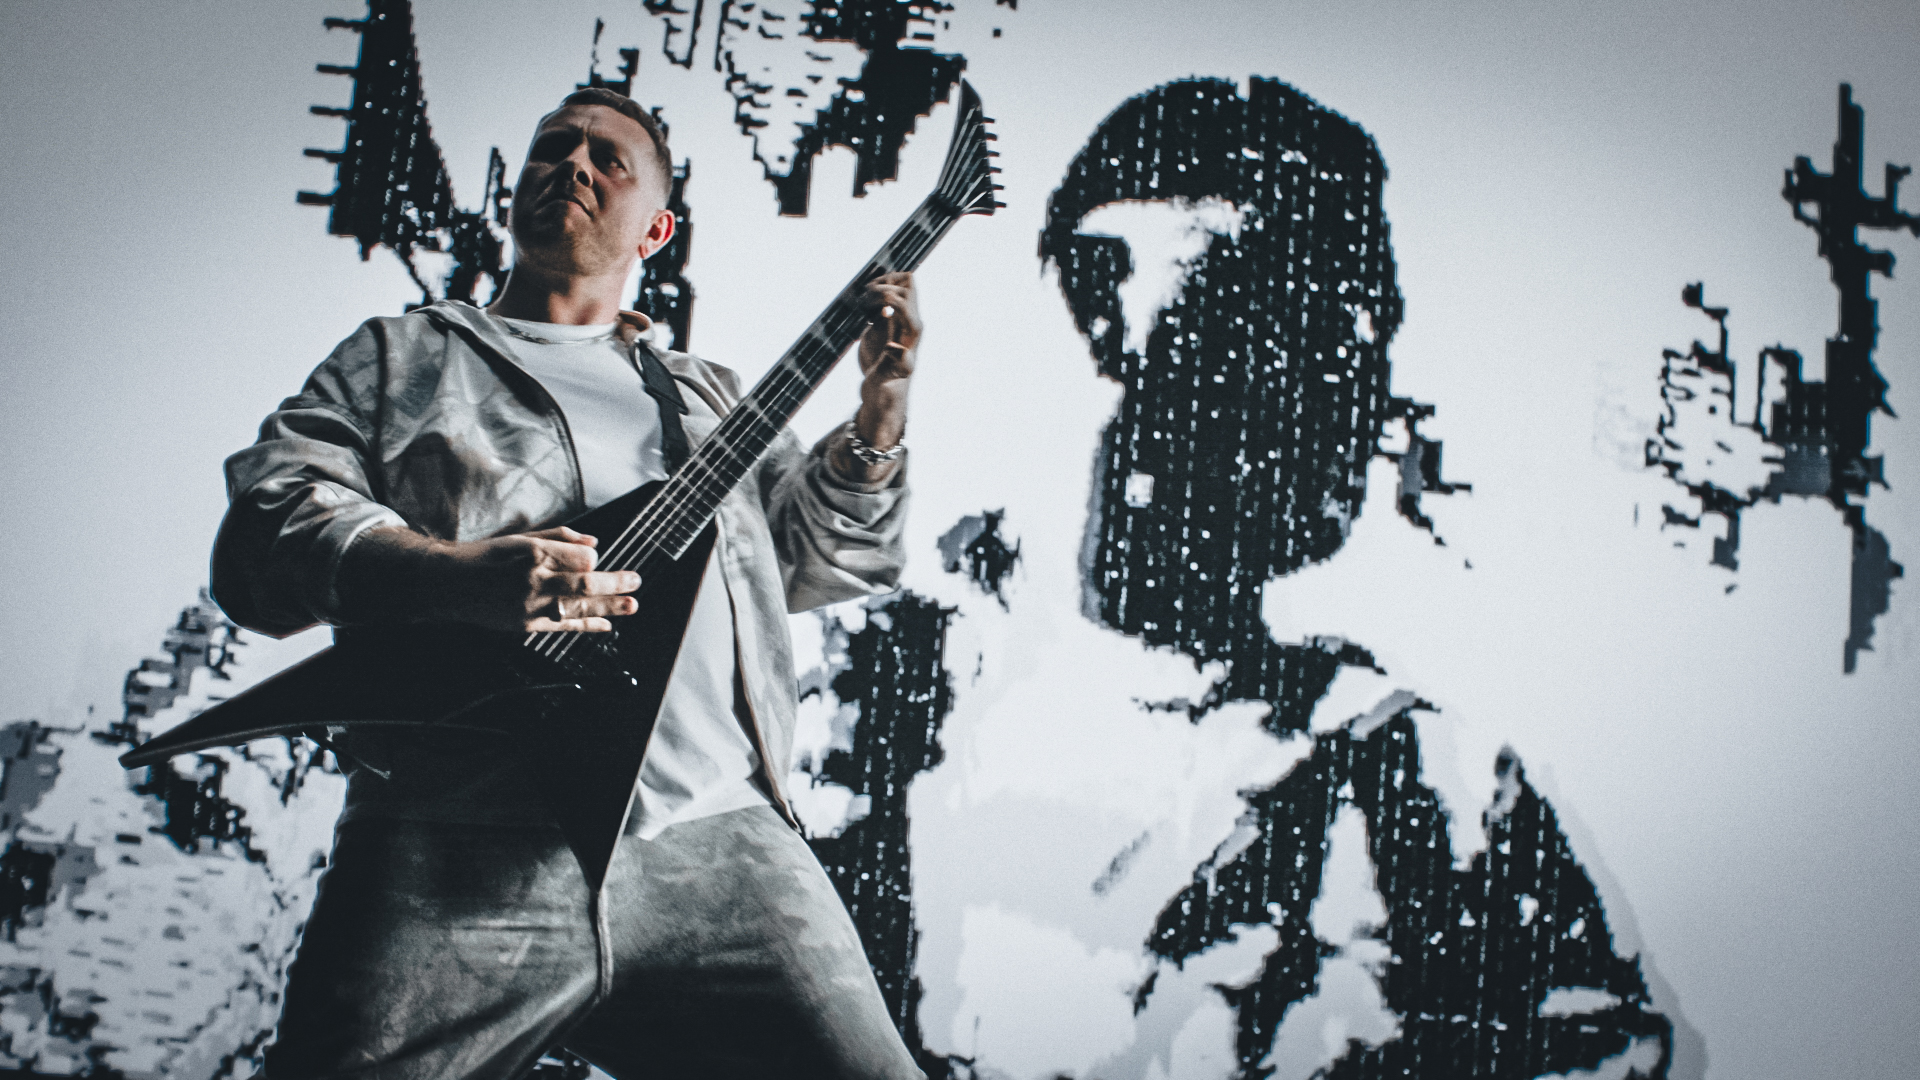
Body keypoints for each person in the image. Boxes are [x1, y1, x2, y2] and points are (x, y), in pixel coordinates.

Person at [211, 86, 928, 1079]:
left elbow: (816, 562)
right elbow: (266, 528)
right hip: (455, 841)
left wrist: (882, 408)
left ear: (657, 229)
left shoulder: (709, 397)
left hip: (723, 840)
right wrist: (450, 577)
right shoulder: (399, 358)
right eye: (554, 149)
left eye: (607, 158)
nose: (574, 166)